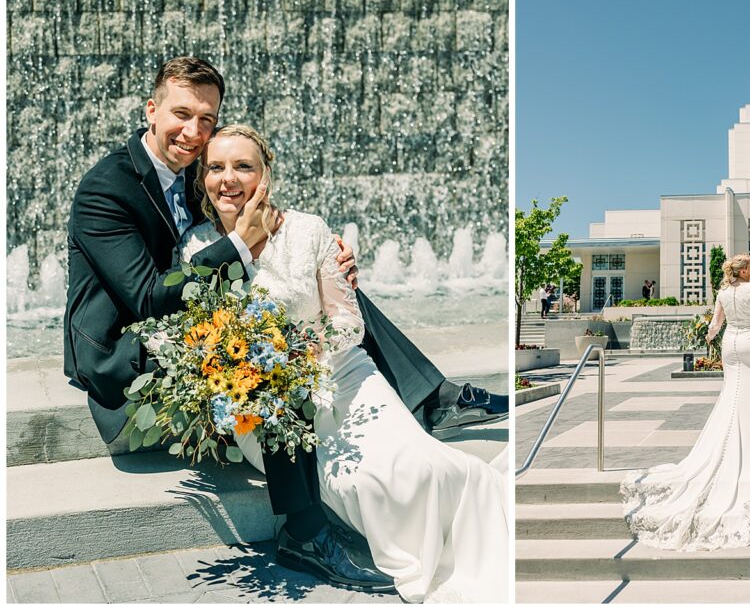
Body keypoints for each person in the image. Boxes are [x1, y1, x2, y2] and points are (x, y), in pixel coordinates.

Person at [63, 57, 507, 593]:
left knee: (323, 281)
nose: (195, 132)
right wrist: (241, 245)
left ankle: (429, 394)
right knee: (261, 358)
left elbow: (238, 200)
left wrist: (321, 256)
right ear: (151, 110)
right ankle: (305, 532)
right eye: (182, 115)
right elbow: (149, 298)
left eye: (208, 119)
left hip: (205, 311)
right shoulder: (105, 189)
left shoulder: (192, 169)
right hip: (129, 353)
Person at [182, 125, 508, 602]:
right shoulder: (197, 249)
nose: (228, 180)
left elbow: (347, 321)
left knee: (425, 468)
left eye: (243, 166)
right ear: (202, 179)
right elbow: (209, 340)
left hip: (344, 374)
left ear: (265, 174)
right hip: (266, 402)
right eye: (216, 168)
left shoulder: (309, 230)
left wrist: (304, 352)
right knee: (363, 484)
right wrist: (279, 368)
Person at [621, 254, 750, 551]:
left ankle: (732, 442)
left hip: (731, 346)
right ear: (741, 270)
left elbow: (715, 325)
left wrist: (709, 340)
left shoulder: (723, 293)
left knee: (732, 394)